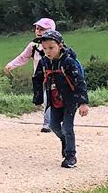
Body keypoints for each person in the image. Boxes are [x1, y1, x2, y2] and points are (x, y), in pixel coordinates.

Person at [31, 29, 89, 168]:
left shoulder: (68, 62)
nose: (48, 51)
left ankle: (70, 156)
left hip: (70, 99)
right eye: (45, 48)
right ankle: (65, 141)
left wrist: (83, 102)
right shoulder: (44, 62)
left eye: (51, 48)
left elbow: (79, 81)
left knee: (67, 127)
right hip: (54, 100)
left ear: (60, 46)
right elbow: (37, 79)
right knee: (54, 126)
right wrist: (38, 98)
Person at [3, 17, 62, 132]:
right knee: (45, 99)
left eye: (42, 29)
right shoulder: (33, 46)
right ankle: (51, 122)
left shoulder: (57, 46)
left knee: (50, 98)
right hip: (41, 78)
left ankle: (48, 124)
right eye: (37, 28)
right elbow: (23, 58)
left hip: (56, 77)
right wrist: (11, 65)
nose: (38, 31)